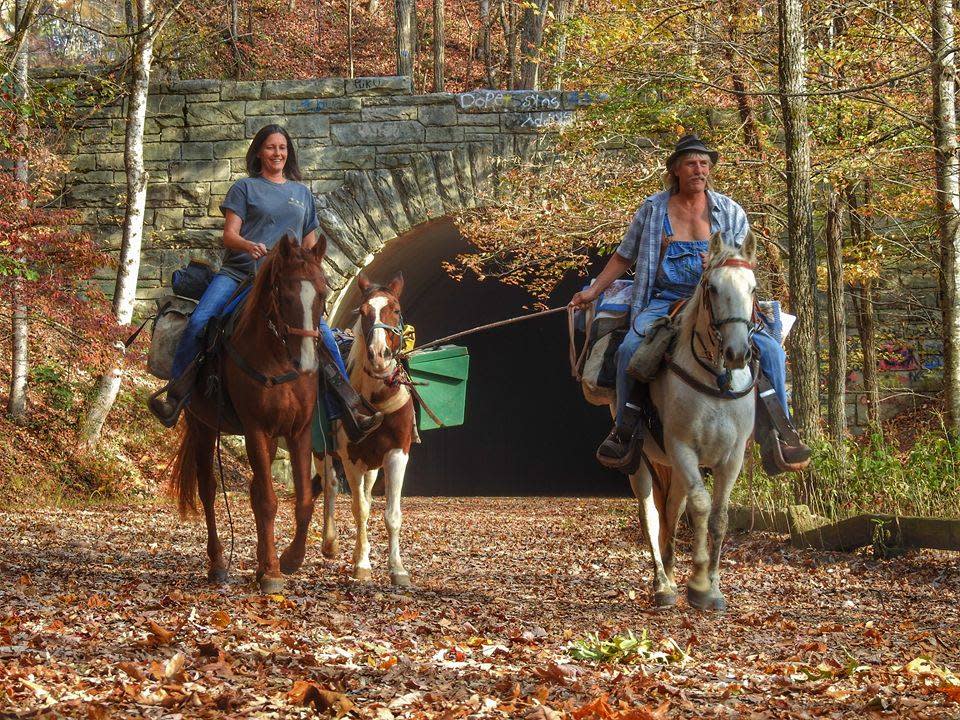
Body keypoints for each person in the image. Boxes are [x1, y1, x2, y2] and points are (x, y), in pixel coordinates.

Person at [570, 134, 811, 471]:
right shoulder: (653, 210)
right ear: (675, 170)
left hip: (722, 305)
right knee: (628, 349)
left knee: (771, 350)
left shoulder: (729, 211)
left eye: (704, 164)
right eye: (691, 164)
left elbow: (743, 260)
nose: (699, 170)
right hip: (666, 300)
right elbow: (625, 257)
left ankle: (781, 433)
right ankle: (625, 431)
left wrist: (723, 268)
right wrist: (594, 291)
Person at [149, 124, 382, 441]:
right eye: (271, 147)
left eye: (283, 148)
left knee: (325, 338)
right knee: (200, 321)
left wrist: (310, 269)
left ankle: (349, 409)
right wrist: (249, 245)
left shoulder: (301, 194)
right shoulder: (244, 189)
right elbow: (229, 235)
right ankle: (176, 397)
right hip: (240, 274)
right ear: (259, 151)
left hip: (283, 283)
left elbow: (311, 245)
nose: (278, 153)